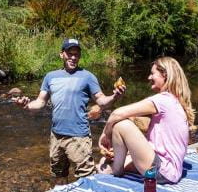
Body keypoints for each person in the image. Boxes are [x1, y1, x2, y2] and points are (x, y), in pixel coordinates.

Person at [13, 38, 126, 183]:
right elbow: (40, 102)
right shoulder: (50, 77)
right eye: (69, 53)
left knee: (86, 178)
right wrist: (26, 105)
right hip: (56, 136)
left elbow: (102, 102)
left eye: (76, 54)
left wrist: (115, 95)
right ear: (62, 54)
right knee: (58, 175)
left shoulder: (87, 77)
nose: (73, 57)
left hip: (78, 135)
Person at [98, 56, 194, 184]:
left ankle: (116, 171)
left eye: (152, 73)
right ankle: (115, 166)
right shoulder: (173, 100)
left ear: (164, 75)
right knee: (103, 163)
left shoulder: (163, 100)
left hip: (162, 171)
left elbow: (116, 114)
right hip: (167, 169)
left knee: (122, 125)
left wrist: (105, 135)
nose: (149, 77)